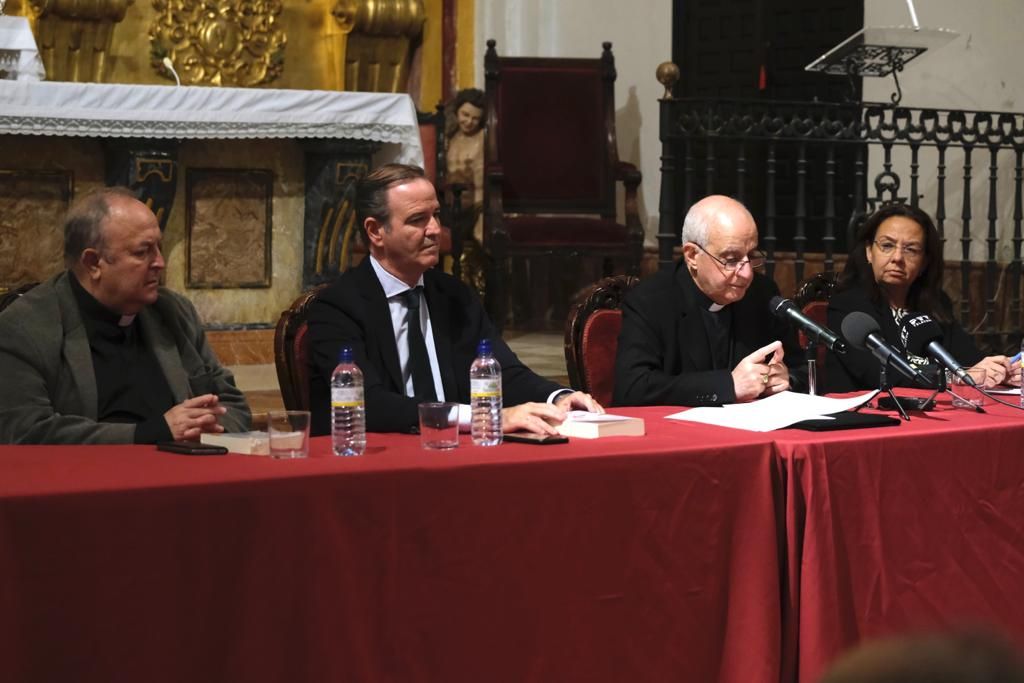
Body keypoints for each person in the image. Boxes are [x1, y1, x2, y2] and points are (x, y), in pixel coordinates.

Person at [306, 163, 602, 435]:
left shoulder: (453, 294)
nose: (435, 230)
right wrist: (481, 418)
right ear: (375, 231)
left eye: (435, 215)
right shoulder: (338, 307)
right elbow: (367, 403)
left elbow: (503, 371)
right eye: (417, 220)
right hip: (379, 461)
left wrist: (558, 396)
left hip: (459, 452)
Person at [0, 187, 250, 444]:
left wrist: (207, 431)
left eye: (159, 248)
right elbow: (26, 431)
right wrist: (151, 433)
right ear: (93, 263)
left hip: (186, 472)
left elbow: (233, 404)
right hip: (88, 479)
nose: (160, 263)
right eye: (143, 252)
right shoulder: (24, 326)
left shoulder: (174, 312)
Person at [613, 195, 804, 406]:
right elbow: (632, 387)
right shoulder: (650, 301)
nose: (747, 273)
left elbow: (801, 368)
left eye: (751, 255)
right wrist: (727, 386)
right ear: (692, 256)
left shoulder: (762, 293)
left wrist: (786, 379)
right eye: (731, 260)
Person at [826, 203, 1016, 392]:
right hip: (868, 415)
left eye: (911, 249)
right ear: (869, 252)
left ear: (924, 262)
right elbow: (882, 373)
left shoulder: (935, 304)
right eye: (887, 245)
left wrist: (997, 371)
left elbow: (968, 360)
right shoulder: (849, 306)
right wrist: (954, 376)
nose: (897, 257)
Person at [445, 88, 485, 243]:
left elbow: (481, 184)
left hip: (472, 208)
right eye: (465, 115)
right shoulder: (450, 136)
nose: (469, 122)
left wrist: (480, 217)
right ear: (457, 112)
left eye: (475, 118)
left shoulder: (481, 139)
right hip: (448, 205)